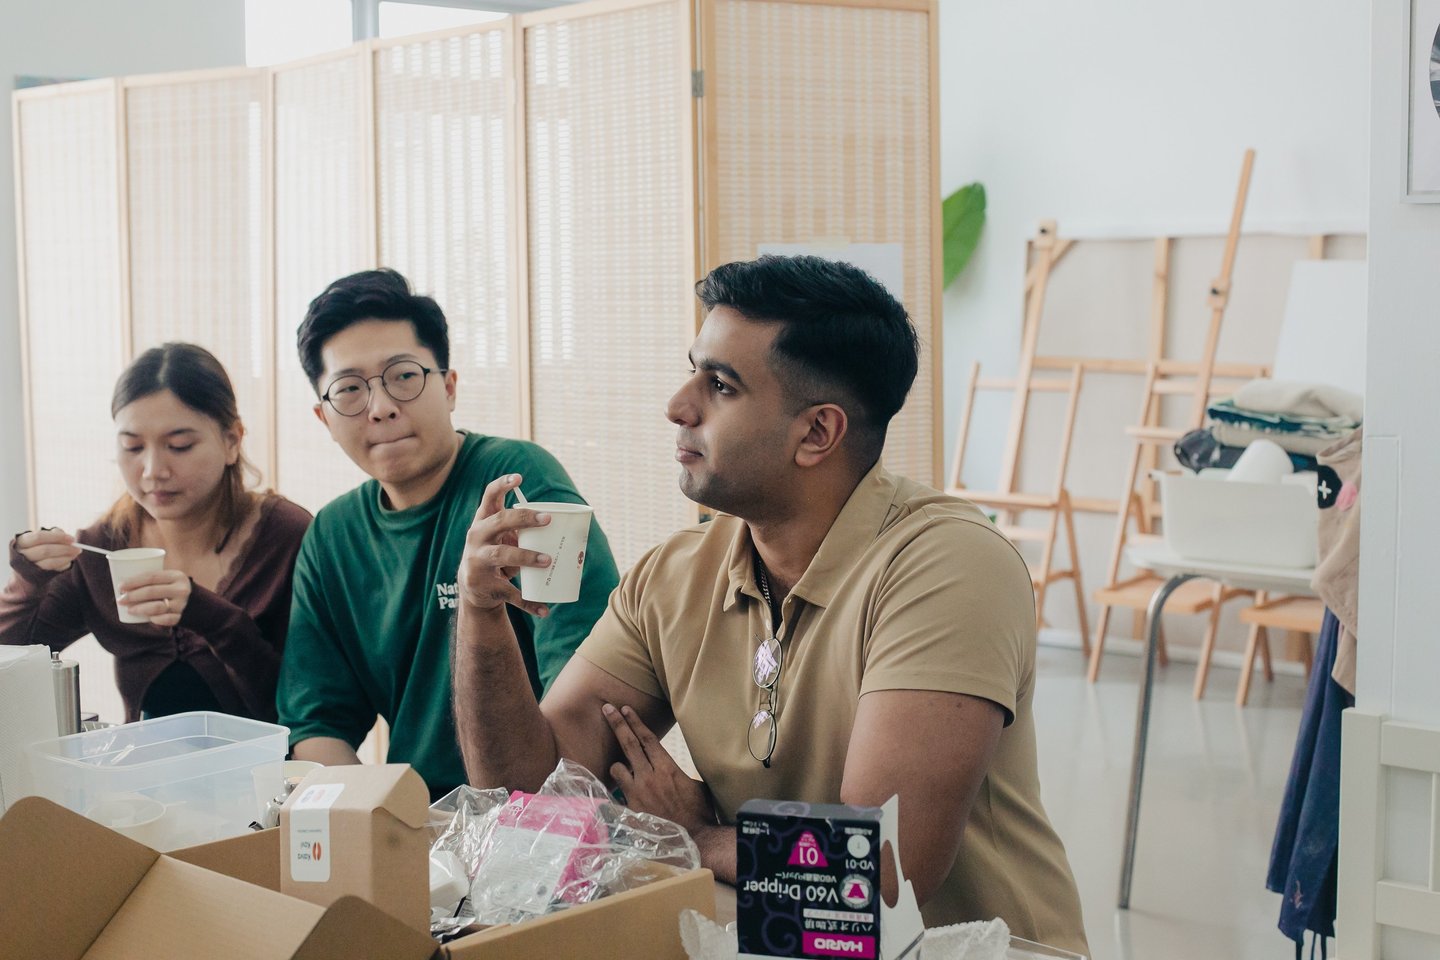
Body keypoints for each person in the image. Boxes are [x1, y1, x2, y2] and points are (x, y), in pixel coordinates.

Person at [452, 255, 1088, 952]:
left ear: (817, 434)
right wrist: (482, 614)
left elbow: (880, 873)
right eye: (693, 371)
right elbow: (526, 792)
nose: (679, 405)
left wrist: (696, 837)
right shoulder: (673, 575)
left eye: (720, 385)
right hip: (772, 940)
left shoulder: (948, 565)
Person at [278, 268, 619, 798]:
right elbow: (317, 723)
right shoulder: (332, 537)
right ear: (324, 418)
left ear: (449, 386)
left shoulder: (517, 484)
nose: (381, 408)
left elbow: (587, 686)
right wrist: (385, 820)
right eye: (349, 389)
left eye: (403, 376)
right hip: (421, 820)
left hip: (549, 810)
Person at [1, 342, 311, 722]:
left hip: (270, 760)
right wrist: (28, 581)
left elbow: (303, 708)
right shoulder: (103, 548)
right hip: (145, 760)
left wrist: (210, 616)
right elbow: (11, 664)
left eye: (179, 446)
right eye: (132, 447)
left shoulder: (286, 538)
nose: (152, 471)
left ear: (232, 441)